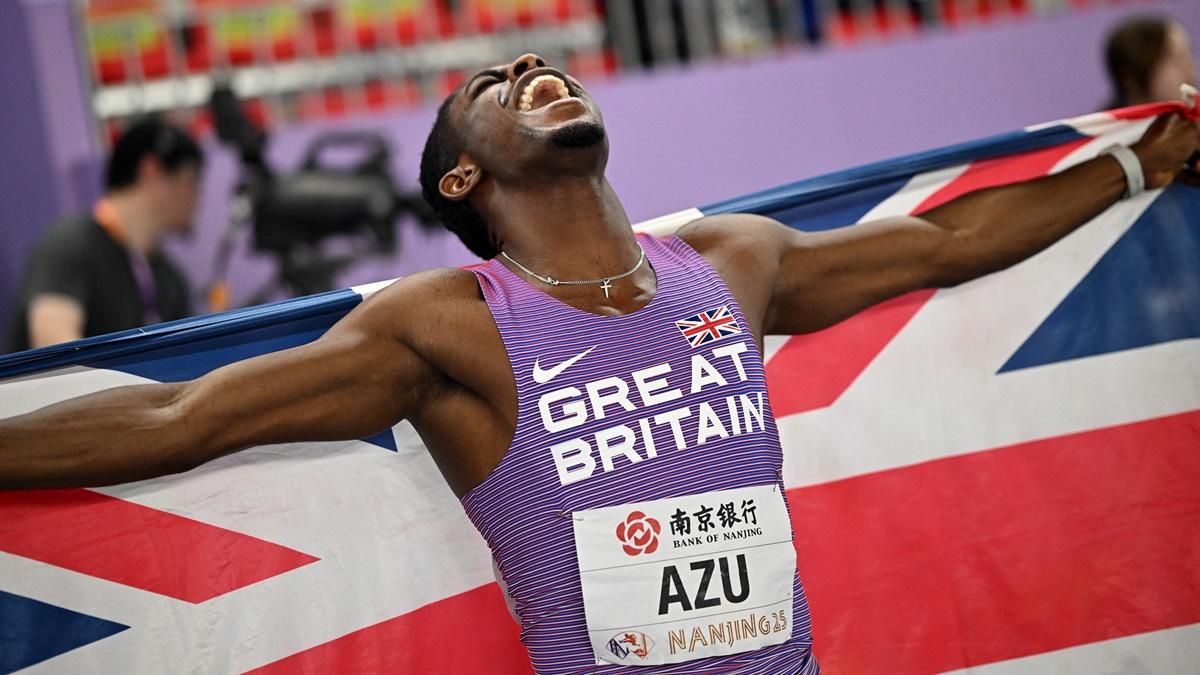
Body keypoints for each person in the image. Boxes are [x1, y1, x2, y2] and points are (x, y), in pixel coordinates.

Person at [2, 54, 1198, 673]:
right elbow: (181, 418)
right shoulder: (452, 324)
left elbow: (942, 243)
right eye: (492, 86)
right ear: (462, 179)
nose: (535, 67)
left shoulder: (730, 262)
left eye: (542, 64)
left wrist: (1145, 162)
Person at [7, 117, 202, 352]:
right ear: (151, 172)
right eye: (191, 181)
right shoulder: (68, 245)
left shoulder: (169, 279)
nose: (198, 198)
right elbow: (54, 351)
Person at [1104, 15, 1197, 109]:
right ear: (1131, 80)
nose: (1189, 69)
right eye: (1173, 58)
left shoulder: (1194, 119)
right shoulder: (1104, 122)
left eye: (1187, 56)